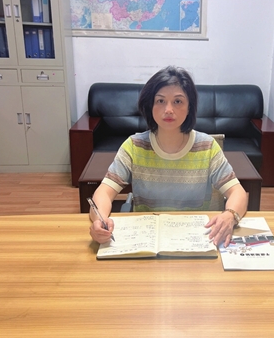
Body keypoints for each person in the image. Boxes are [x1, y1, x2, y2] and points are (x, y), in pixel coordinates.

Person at [89, 66, 248, 247]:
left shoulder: (207, 147)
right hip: (146, 241)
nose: (169, 109)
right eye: (160, 101)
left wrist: (230, 215)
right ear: (150, 106)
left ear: (189, 107)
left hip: (194, 240)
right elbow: (104, 192)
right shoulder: (134, 146)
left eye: (178, 101)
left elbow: (238, 192)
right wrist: (99, 220)